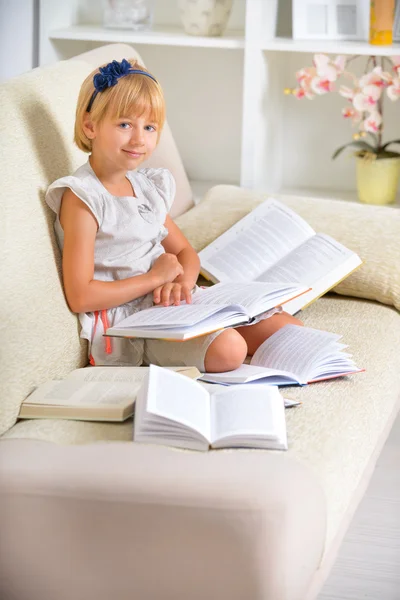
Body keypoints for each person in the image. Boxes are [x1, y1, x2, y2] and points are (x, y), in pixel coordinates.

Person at [46, 58, 302, 372]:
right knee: (230, 348)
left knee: (289, 331)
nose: (139, 138)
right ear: (90, 126)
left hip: (171, 301)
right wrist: (154, 278)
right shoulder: (83, 197)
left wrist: (183, 281)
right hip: (133, 320)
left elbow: (184, 252)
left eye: (149, 127)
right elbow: (81, 295)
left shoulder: (146, 186)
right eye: (125, 124)